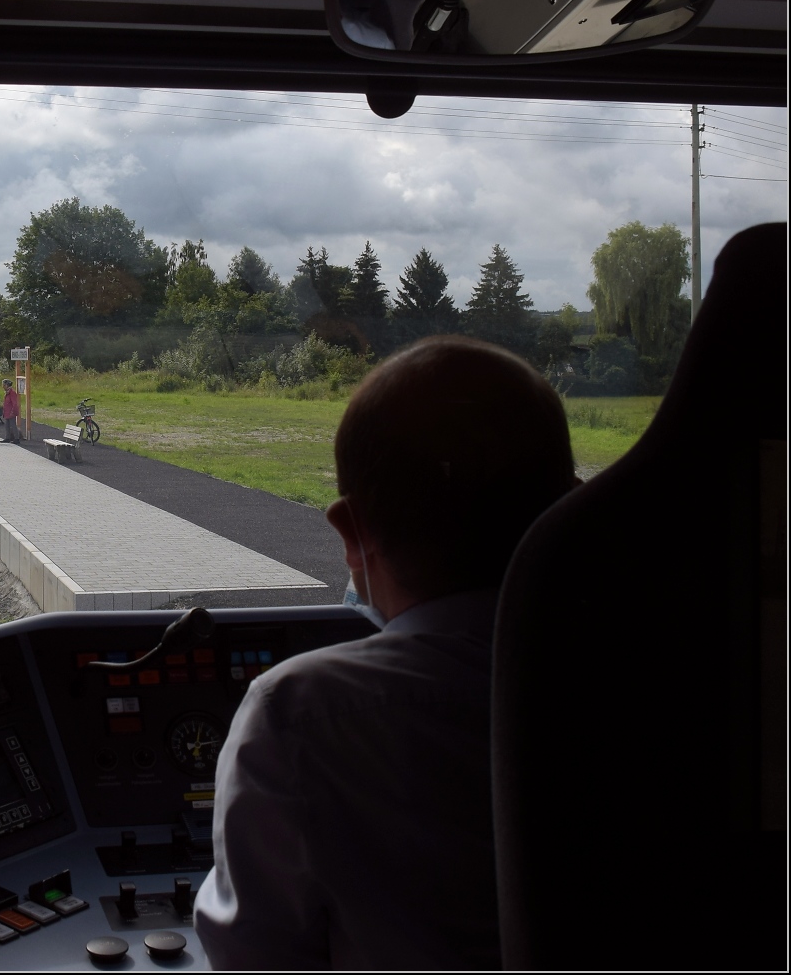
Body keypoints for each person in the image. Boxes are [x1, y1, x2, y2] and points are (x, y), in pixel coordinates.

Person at [194, 335, 579, 971]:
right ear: (572, 505)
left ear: (351, 533)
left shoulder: (299, 715)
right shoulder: (693, 687)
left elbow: (252, 956)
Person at [0, 378, 21, 443]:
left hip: (11, 412)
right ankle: (7, 437)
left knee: (13, 425)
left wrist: (13, 412)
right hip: (7, 412)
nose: (3, 386)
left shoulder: (12, 393)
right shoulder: (7, 393)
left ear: (7, 385)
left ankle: (16, 438)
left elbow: (14, 403)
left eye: (4, 385)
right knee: (7, 426)